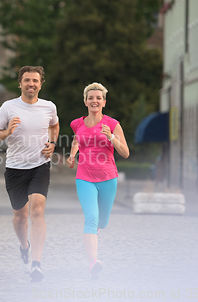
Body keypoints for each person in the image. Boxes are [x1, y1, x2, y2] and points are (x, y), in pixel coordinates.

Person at [0, 66, 59, 282]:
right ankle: (24, 247)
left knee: (37, 211)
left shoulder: (49, 107)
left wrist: (53, 143)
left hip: (40, 166)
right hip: (15, 168)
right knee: (21, 217)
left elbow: (54, 126)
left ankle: (36, 264)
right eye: (27, 80)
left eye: (35, 81)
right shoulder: (8, 107)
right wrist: (7, 132)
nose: (31, 84)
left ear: (41, 83)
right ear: (20, 83)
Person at [67, 82, 129, 280]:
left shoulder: (112, 124)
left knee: (102, 221)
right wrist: (72, 155)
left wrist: (111, 137)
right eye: (90, 98)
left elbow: (125, 153)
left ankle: (96, 231)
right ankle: (93, 262)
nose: (94, 101)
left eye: (98, 98)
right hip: (84, 177)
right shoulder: (77, 123)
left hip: (108, 178)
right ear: (85, 101)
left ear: (104, 102)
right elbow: (77, 139)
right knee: (91, 219)